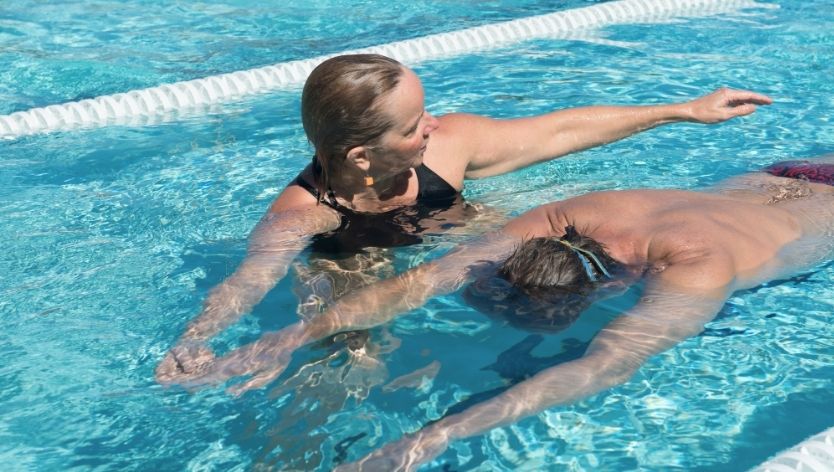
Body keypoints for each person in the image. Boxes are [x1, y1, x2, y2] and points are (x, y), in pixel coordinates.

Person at [162, 155, 834, 470]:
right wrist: (284, 339)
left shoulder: (695, 264)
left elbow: (606, 365)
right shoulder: (565, 218)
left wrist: (436, 435)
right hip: (792, 177)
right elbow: (422, 282)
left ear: (602, 292)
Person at [156, 52, 771, 384]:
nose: (434, 125)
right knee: (350, 356)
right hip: (356, 261)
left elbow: (556, 130)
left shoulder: (449, 146)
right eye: (413, 125)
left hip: (458, 233)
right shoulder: (304, 214)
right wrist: (195, 341)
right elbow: (248, 279)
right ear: (362, 156)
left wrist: (681, 111)